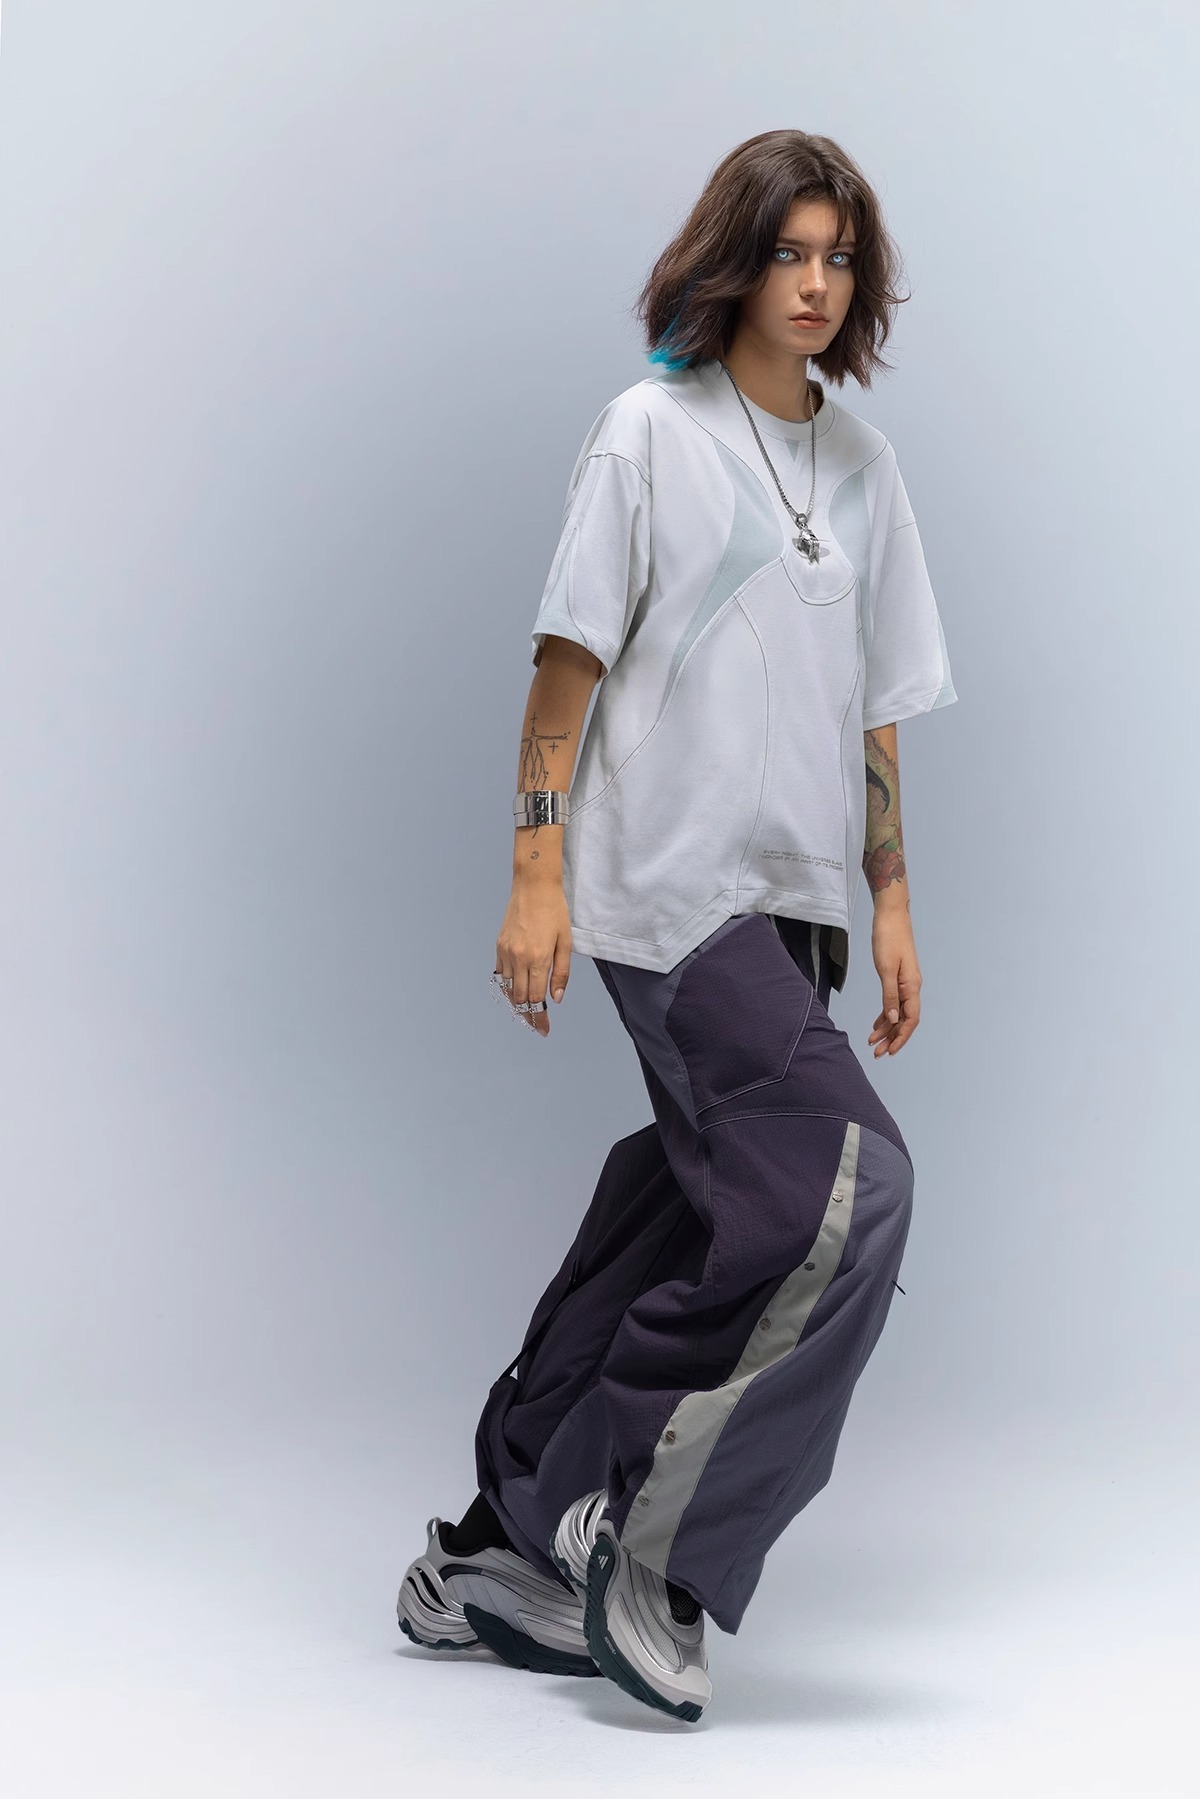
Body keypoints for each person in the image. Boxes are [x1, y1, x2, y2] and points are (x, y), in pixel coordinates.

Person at [397, 127, 958, 1724]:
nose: (814, 283)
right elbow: (564, 667)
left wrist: (894, 897)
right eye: (788, 251)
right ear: (735, 257)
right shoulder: (650, 432)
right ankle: (646, 1548)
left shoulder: (863, 469)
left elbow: (876, 705)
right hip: (669, 893)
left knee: (702, 1204)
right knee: (849, 1191)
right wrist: (536, 873)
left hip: (795, 914)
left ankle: (498, 1543)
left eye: (837, 258)